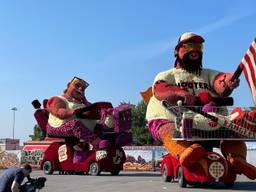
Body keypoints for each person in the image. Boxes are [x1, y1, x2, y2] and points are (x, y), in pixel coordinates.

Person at [145, 32, 256, 179]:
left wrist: (229, 80)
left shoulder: (207, 74)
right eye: (189, 45)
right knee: (170, 131)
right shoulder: (168, 74)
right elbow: (159, 89)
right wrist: (181, 93)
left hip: (211, 121)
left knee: (232, 133)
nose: (194, 50)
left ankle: (237, 159)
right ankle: (186, 153)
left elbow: (220, 81)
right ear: (176, 51)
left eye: (198, 46)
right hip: (174, 119)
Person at [46, 76, 110, 149]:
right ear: (68, 85)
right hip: (58, 126)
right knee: (74, 124)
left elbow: (94, 111)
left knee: (99, 126)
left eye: (83, 89)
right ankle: (97, 142)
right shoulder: (58, 99)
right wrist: (72, 111)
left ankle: (112, 141)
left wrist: (86, 102)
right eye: (77, 86)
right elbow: (58, 111)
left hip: (85, 127)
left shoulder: (82, 102)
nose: (80, 89)